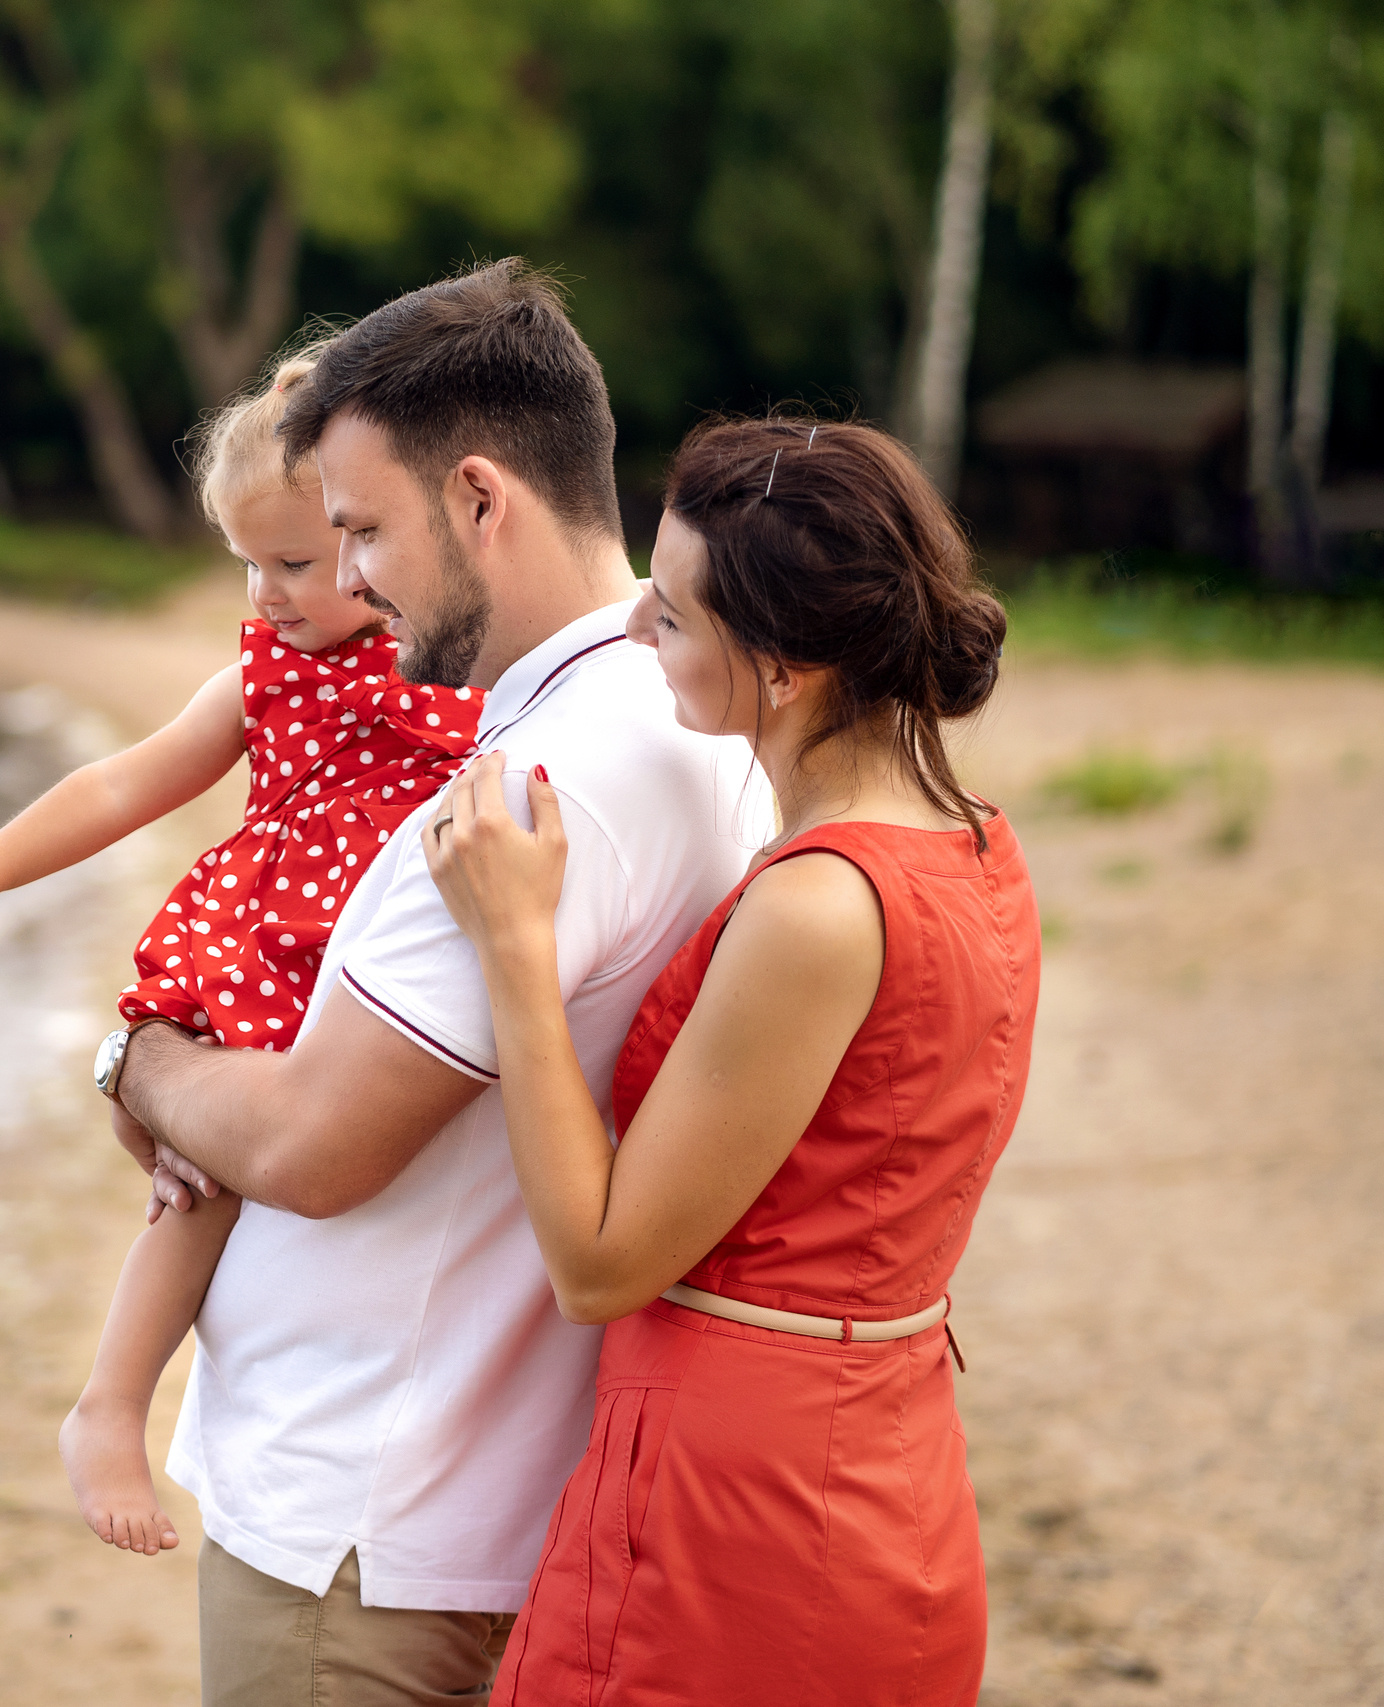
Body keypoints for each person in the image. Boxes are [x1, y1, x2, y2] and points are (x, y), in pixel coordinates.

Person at [107, 261, 770, 1705]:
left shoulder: (528, 791)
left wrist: (137, 1063)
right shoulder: (693, 718)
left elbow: (309, 1142)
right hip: (468, 1499)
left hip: (363, 1529)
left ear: (480, 498)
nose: (343, 579)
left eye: (360, 530)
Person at [421, 416, 1037, 1706]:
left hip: (733, 1515)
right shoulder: (977, 846)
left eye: (675, 614)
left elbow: (598, 1262)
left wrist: (516, 949)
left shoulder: (820, 906)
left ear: (785, 669)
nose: (638, 628)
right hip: (888, 1461)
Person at [0, 344, 481, 1556]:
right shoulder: (263, 673)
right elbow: (121, 782)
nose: (263, 595)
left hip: (381, 960)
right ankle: (110, 1401)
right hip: (268, 954)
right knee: (199, 1183)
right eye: (245, 565)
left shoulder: (453, 660)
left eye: (295, 564)